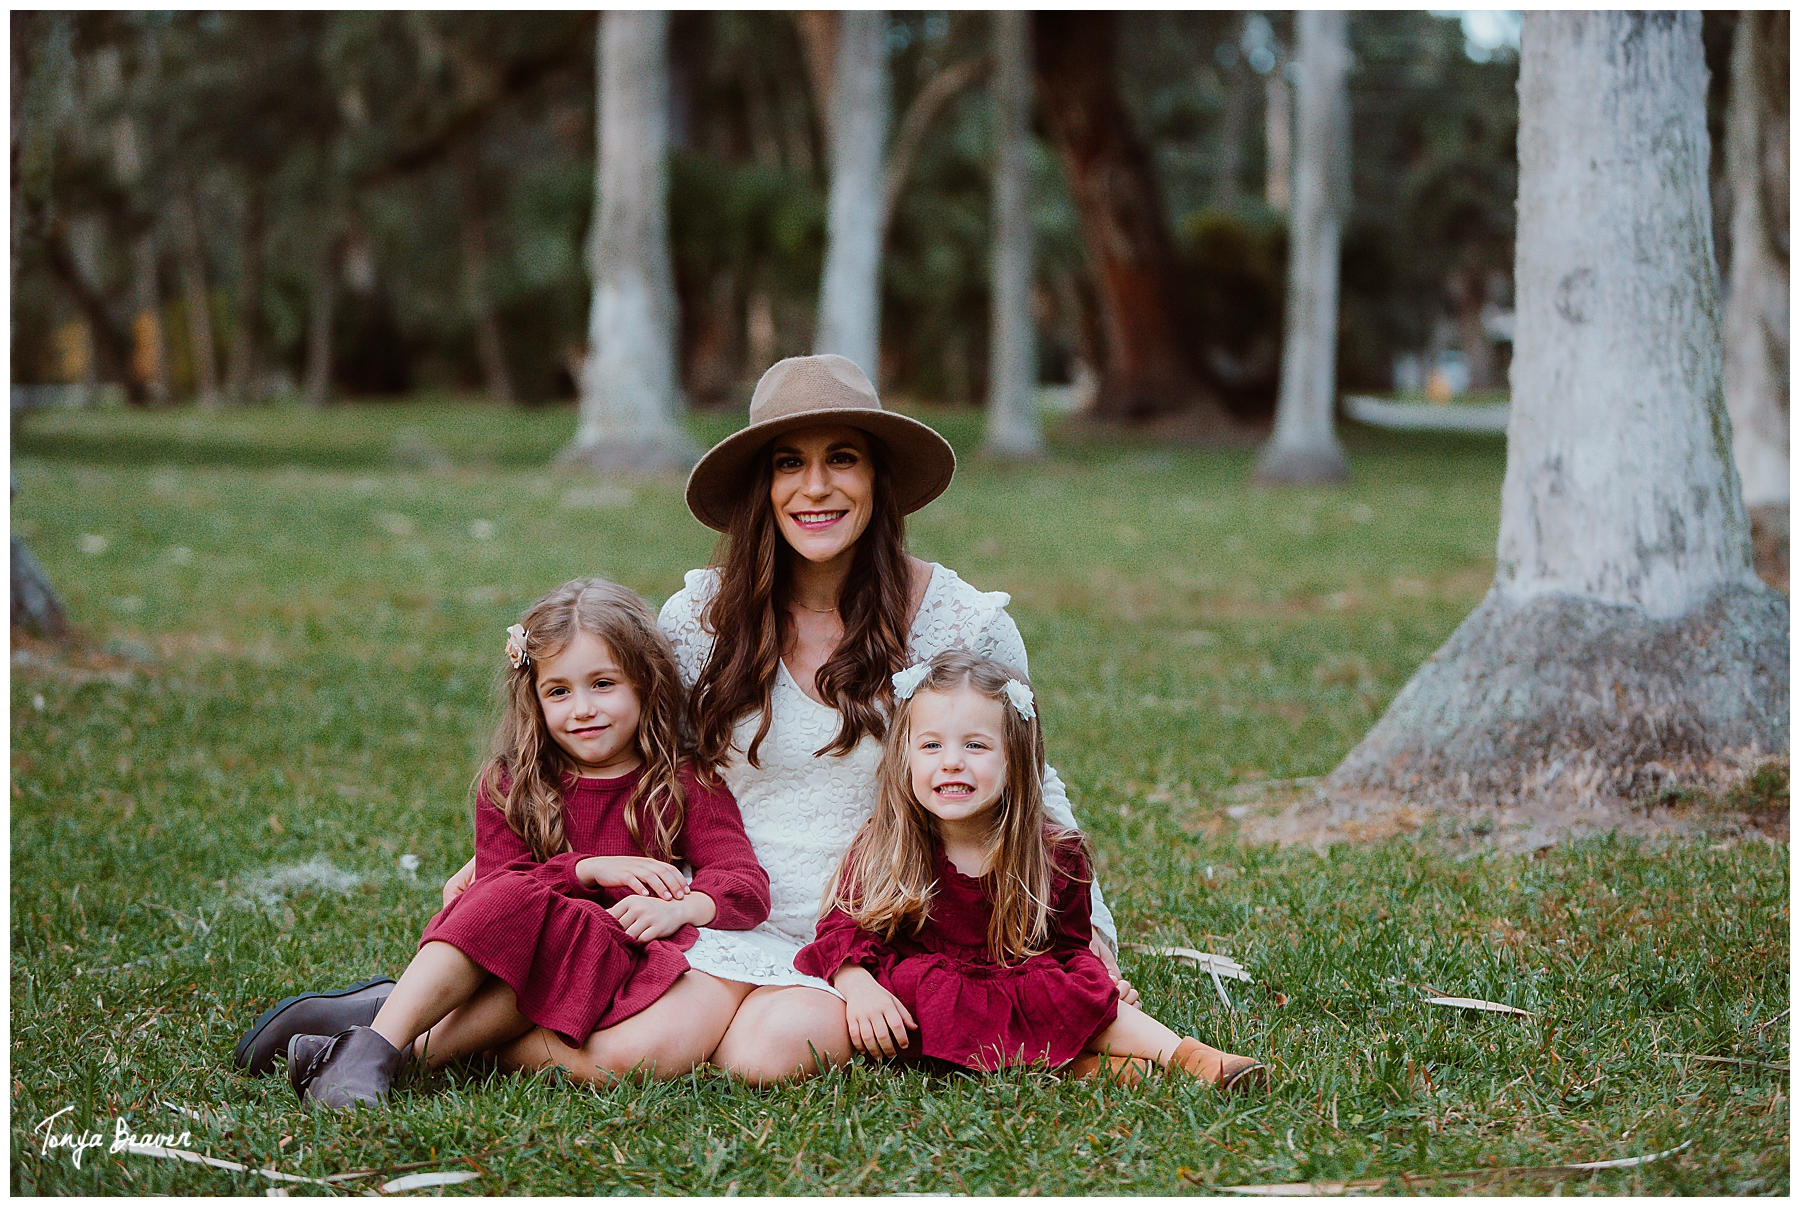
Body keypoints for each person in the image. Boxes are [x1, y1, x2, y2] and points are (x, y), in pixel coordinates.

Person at [245, 354, 1128, 1085]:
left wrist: (1088, 946)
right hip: (712, 903)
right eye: (789, 463)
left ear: (879, 477)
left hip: (871, 923)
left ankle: (391, 1028)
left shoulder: (960, 623)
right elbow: (625, 747)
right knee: (632, 1055)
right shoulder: (704, 618)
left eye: (843, 458)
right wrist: (497, 858)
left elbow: (1030, 785)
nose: (815, 488)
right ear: (760, 486)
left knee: (760, 1060)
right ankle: (391, 1034)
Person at [258, 579, 769, 1107]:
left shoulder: (681, 784)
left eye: (603, 683)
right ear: (535, 699)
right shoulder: (513, 783)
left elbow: (744, 882)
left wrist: (683, 908)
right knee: (513, 898)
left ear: (646, 684)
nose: (583, 709)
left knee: (581, 931)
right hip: (499, 956)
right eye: (559, 691)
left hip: (605, 966)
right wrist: (587, 869)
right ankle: (373, 1047)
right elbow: (499, 885)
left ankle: (361, 1049)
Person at [794, 649, 1265, 1088]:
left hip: (1021, 982)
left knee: (1070, 995)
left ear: (1015, 759)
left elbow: (1070, 947)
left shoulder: (1052, 854)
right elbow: (839, 930)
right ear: (905, 757)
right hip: (927, 1000)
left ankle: (1191, 1057)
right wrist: (859, 986)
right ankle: (1085, 1066)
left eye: (976, 746)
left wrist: (1100, 988)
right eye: (931, 746)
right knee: (915, 993)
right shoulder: (889, 843)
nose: (952, 763)